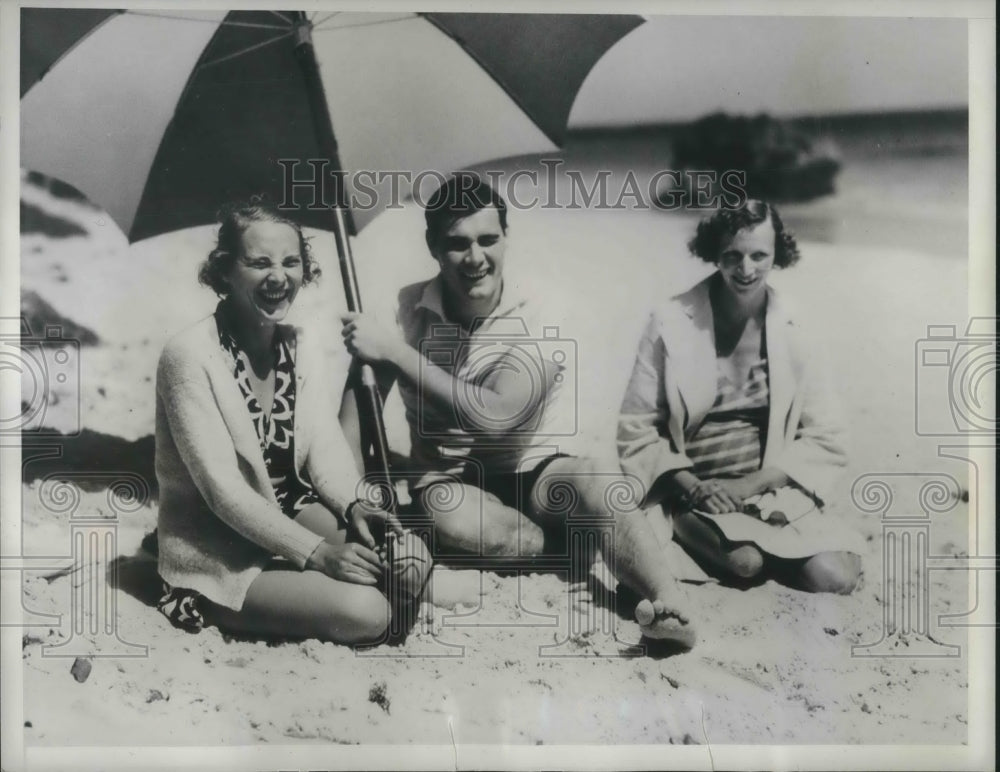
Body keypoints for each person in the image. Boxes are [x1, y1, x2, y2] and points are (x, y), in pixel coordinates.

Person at [339, 173, 697, 646]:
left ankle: (669, 601)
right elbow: (347, 430)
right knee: (449, 516)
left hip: (537, 471)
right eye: (457, 244)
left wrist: (396, 352)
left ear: (507, 238)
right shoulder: (400, 308)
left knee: (595, 479)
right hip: (450, 481)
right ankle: (572, 546)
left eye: (488, 240)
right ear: (431, 245)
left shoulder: (545, 307)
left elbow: (496, 414)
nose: (475, 258)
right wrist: (355, 504)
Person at [155, 199, 430, 645]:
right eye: (259, 262)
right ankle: (200, 601)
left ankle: (304, 586)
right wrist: (319, 555)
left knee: (407, 569)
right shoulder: (188, 356)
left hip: (291, 514)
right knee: (368, 612)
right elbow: (224, 494)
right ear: (225, 272)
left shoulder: (296, 343)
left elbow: (324, 445)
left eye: (291, 262)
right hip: (219, 551)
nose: (278, 277)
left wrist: (354, 505)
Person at [618, 199, 863, 594]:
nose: (746, 269)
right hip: (692, 491)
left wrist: (751, 485)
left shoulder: (797, 324)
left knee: (837, 577)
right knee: (746, 562)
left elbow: (827, 434)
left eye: (758, 255)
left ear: (777, 254)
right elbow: (636, 427)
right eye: (732, 255)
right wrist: (694, 486)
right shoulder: (670, 319)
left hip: (766, 487)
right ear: (714, 252)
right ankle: (696, 533)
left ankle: (785, 543)